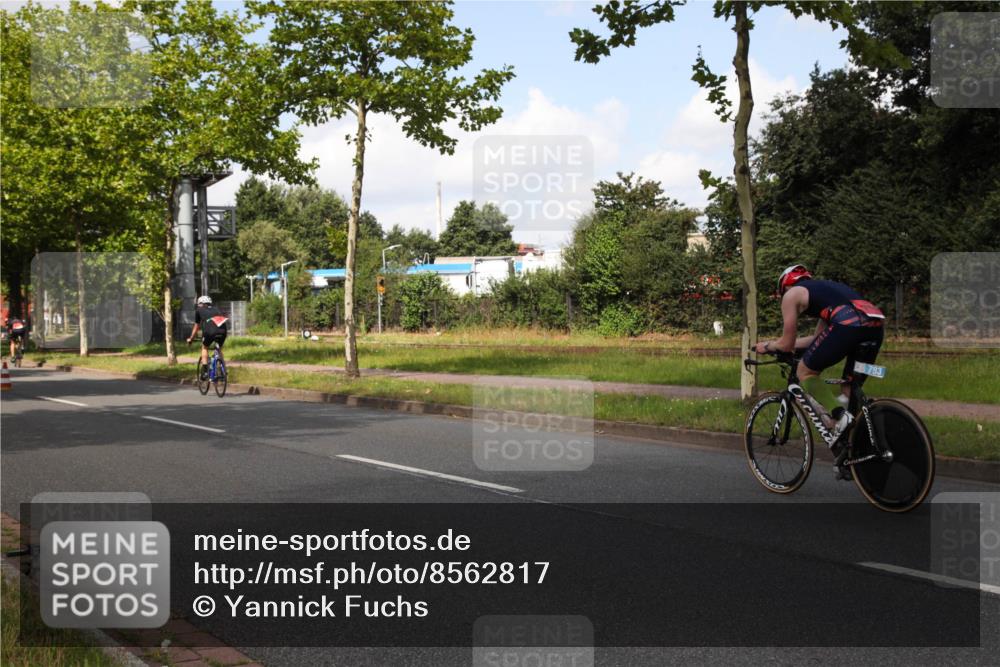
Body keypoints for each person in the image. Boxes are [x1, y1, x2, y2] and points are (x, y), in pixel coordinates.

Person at [754, 264, 885, 443]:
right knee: (849, 388)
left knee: (805, 371)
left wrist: (768, 346)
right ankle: (854, 449)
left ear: (784, 286)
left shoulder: (790, 295)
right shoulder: (828, 292)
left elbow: (786, 345)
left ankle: (838, 415)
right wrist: (785, 344)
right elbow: (818, 339)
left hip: (847, 326)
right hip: (875, 329)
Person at [186, 296, 229, 379]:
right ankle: (223, 370)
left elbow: (196, 326)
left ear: (200, 303)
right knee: (219, 349)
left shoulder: (199, 310)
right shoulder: (216, 309)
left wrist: (191, 338)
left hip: (210, 332)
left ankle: (205, 371)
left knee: (204, 347)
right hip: (223, 331)